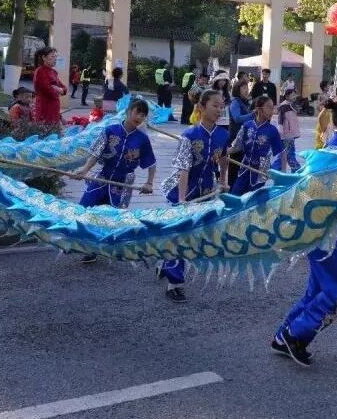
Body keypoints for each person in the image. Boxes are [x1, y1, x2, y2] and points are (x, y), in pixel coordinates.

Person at [272, 91, 337, 366]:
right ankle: (295, 335)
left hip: (327, 230)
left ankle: (283, 336)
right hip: (325, 233)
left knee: (318, 290)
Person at [158, 90, 230, 302]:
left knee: (196, 235)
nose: (219, 110)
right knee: (178, 234)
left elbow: (224, 159)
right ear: (201, 107)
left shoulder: (223, 135)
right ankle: (174, 283)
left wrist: (223, 181)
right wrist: (182, 200)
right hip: (183, 190)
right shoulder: (189, 135)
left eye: (221, 106)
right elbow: (183, 168)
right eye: (215, 105)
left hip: (206, 191)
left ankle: (164, 262)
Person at [73, 99, 157, 263]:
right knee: (85, 209)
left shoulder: (142, 139)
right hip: (102, 178)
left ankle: (98, 249)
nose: (139, 117)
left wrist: (149, 183)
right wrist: (84, 170)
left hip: (122, 183)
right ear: (128, 111)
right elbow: (95, 154)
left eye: (143, 115)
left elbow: (151, 163)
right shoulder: (110, 131)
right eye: (137, 112)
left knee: (112, 218)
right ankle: (85, 244)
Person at [230, 95, 285, 194]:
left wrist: (283, 174)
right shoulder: (247, 125)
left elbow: (282, 152)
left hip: (260, 172)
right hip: (244, 168)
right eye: (269, 107)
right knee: (235, 194)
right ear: (259, 109)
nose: (272, 111)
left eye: (273, 108)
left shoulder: (272, 130)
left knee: (254, 200)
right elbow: (236, 147)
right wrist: (222, 153)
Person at [226, 79, 254, 185]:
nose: (246, 90)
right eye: (243, 88)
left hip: (244, 137)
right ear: (237, 89)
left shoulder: (244, 102)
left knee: (242, 163)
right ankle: (232, 186)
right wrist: (252, 115)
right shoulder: (235, 102)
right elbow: (237, 118)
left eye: (247, 88)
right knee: (235, 164)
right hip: (236, 137)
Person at [31, 47, 66, 125]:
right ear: (44, 57)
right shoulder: (40, 71)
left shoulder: (54, 72)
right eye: (52, 56)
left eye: (56, 56)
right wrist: (58, 90)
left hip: (54, 110)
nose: (55, 59)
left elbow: (64, 88)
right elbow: (49, 91)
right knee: (45, 129)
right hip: (45, 109)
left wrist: (58, 89)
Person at [276, 88, 301, 171]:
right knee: (288, 154)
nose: (294, 96)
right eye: (292, 95)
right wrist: (280, 130)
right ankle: (297, 170)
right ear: (287, 96)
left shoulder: (292, 105)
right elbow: (280, 119)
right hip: (286, 134)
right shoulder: (283, 106)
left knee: (285, 154)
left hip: (291, 134)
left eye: (295, 94)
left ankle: (276, 170)